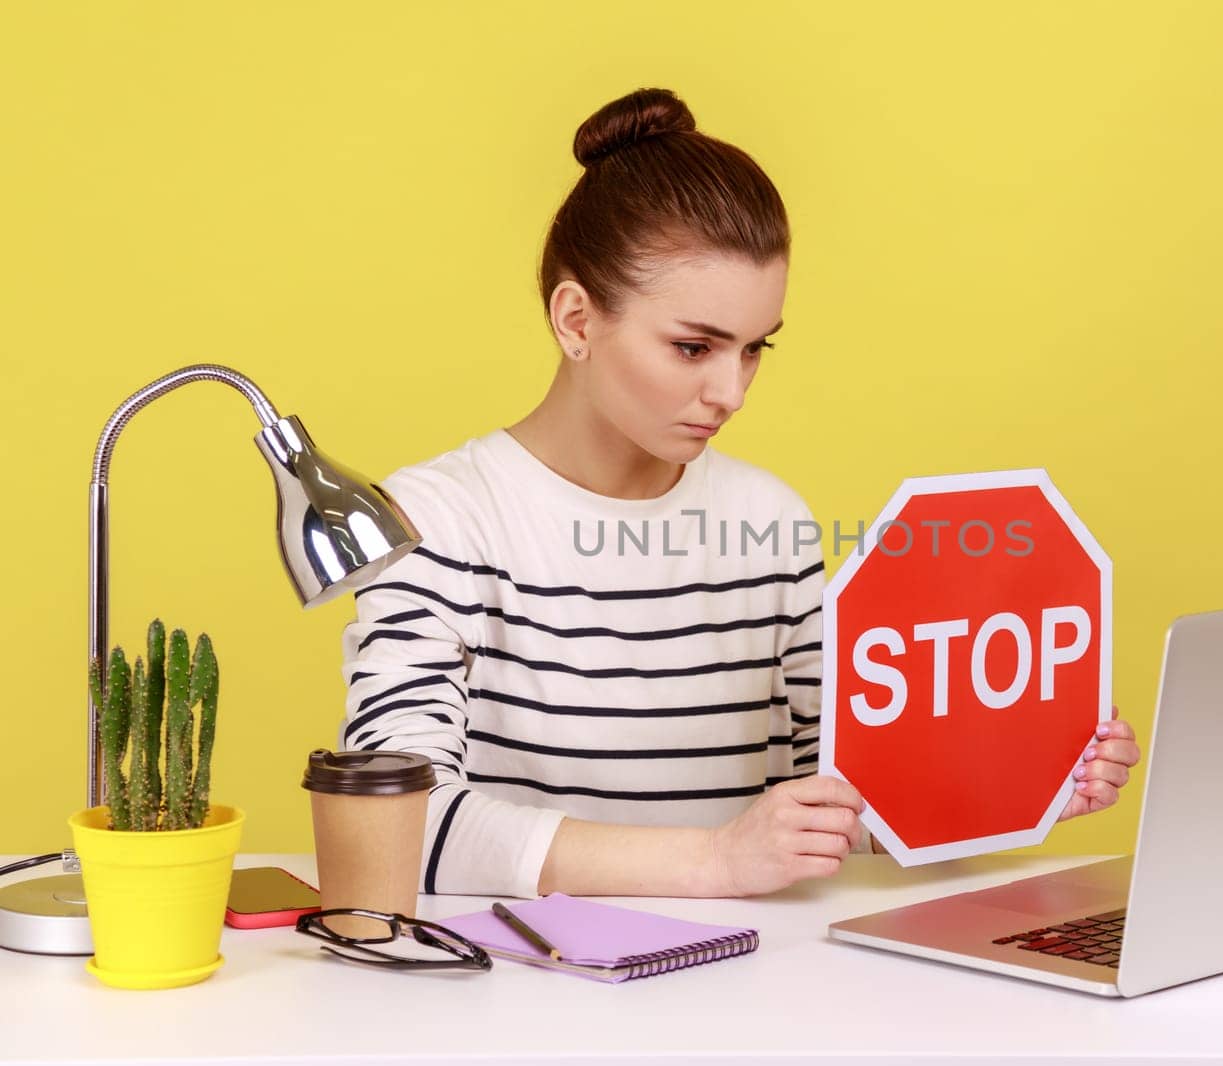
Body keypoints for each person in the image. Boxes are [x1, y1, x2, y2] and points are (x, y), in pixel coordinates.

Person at [338, 87, 1141, 900]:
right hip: (527, 994)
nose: (732, 391)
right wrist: (714, 862)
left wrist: (1013, 784)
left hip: (751, 987)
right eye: (694, 347)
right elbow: (396, 824)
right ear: (576, 320)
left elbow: (834, 812)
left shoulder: (772, 522)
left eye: (756, 349)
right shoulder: (438, 518)